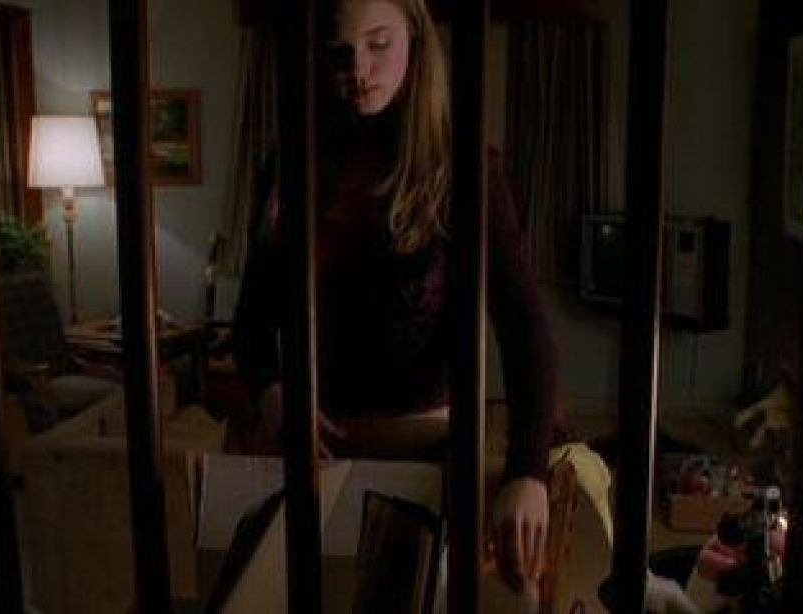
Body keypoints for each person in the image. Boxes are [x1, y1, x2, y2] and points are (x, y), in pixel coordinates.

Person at [232, 0, 560, 595]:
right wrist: (271, 391)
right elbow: (251, 323)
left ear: (415, 38)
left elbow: (525, 327)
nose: (358, 69)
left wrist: (528, 470)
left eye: (378, 43)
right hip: (312, 459)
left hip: (428, 458)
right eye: (339, 52)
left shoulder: (464, 170)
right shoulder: (288, 165)